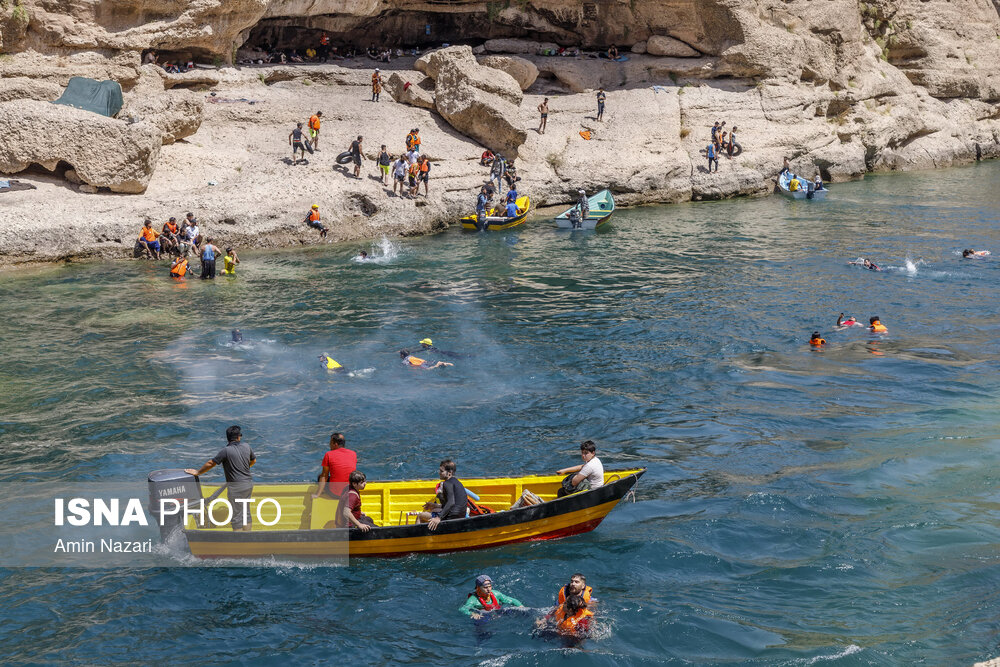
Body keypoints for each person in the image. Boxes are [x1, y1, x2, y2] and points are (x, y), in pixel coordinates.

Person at [185, 425, 256, 531]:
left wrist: (198, 472)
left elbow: (211, 463)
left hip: (236, 487)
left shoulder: (226, 451)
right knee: (246, 512)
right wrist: (242, 469)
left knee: (236, 516)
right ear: (239, 437)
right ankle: (247, 538)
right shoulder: (247, 446)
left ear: (228, 438)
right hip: (248, 484)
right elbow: (253, 460)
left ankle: (240, 543)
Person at [313, 431, 357, 498]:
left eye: (330, 443)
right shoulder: (353, 454)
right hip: (349, 494)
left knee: (320, 476)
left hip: (335, 494)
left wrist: (317, 495)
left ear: (335, 444)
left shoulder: (328, 454)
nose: (329, 445)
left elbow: (324, 476)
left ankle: (322, 492)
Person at [459, 575, 525, 619]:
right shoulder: (473, 599)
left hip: (498, 612)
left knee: (519, 611)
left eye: (490, 586)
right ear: (478, 588)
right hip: (484, 616)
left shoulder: (496, 594)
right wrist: (472, 614)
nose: (489, 589)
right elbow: (463, 609)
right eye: (485, 587)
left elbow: (511, 600)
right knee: (481, 625)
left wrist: (521, 606)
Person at [428, 460, 467, 530]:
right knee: (434, 510)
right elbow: (452, 503)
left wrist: (439, 518)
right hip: (460, 516)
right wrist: (435, 505)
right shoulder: (457, 482)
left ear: (449, 473)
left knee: (420, 516)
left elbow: (451, 502)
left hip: (451, 518)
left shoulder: (447, 484)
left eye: (441, 471)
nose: (439, 473)